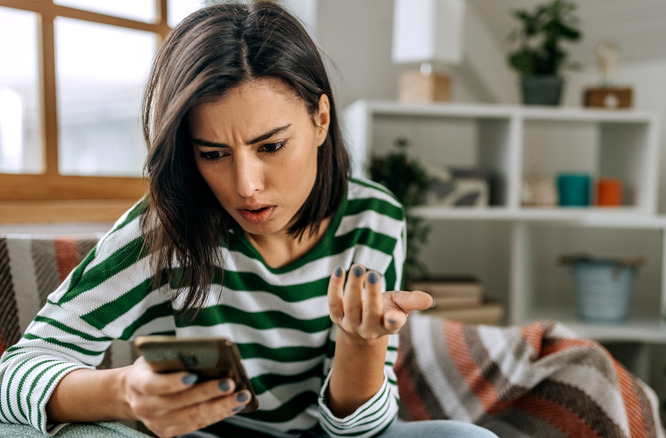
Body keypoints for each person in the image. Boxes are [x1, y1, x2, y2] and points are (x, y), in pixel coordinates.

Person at [0, 2, 497, 438]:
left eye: (272, 146)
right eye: (214, 154)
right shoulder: (163, 232)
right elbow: (14, 375)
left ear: (321, 119)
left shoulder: (375, 217)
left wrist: (360, 343)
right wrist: (124, 391)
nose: (246, 185)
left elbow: (359, 430)